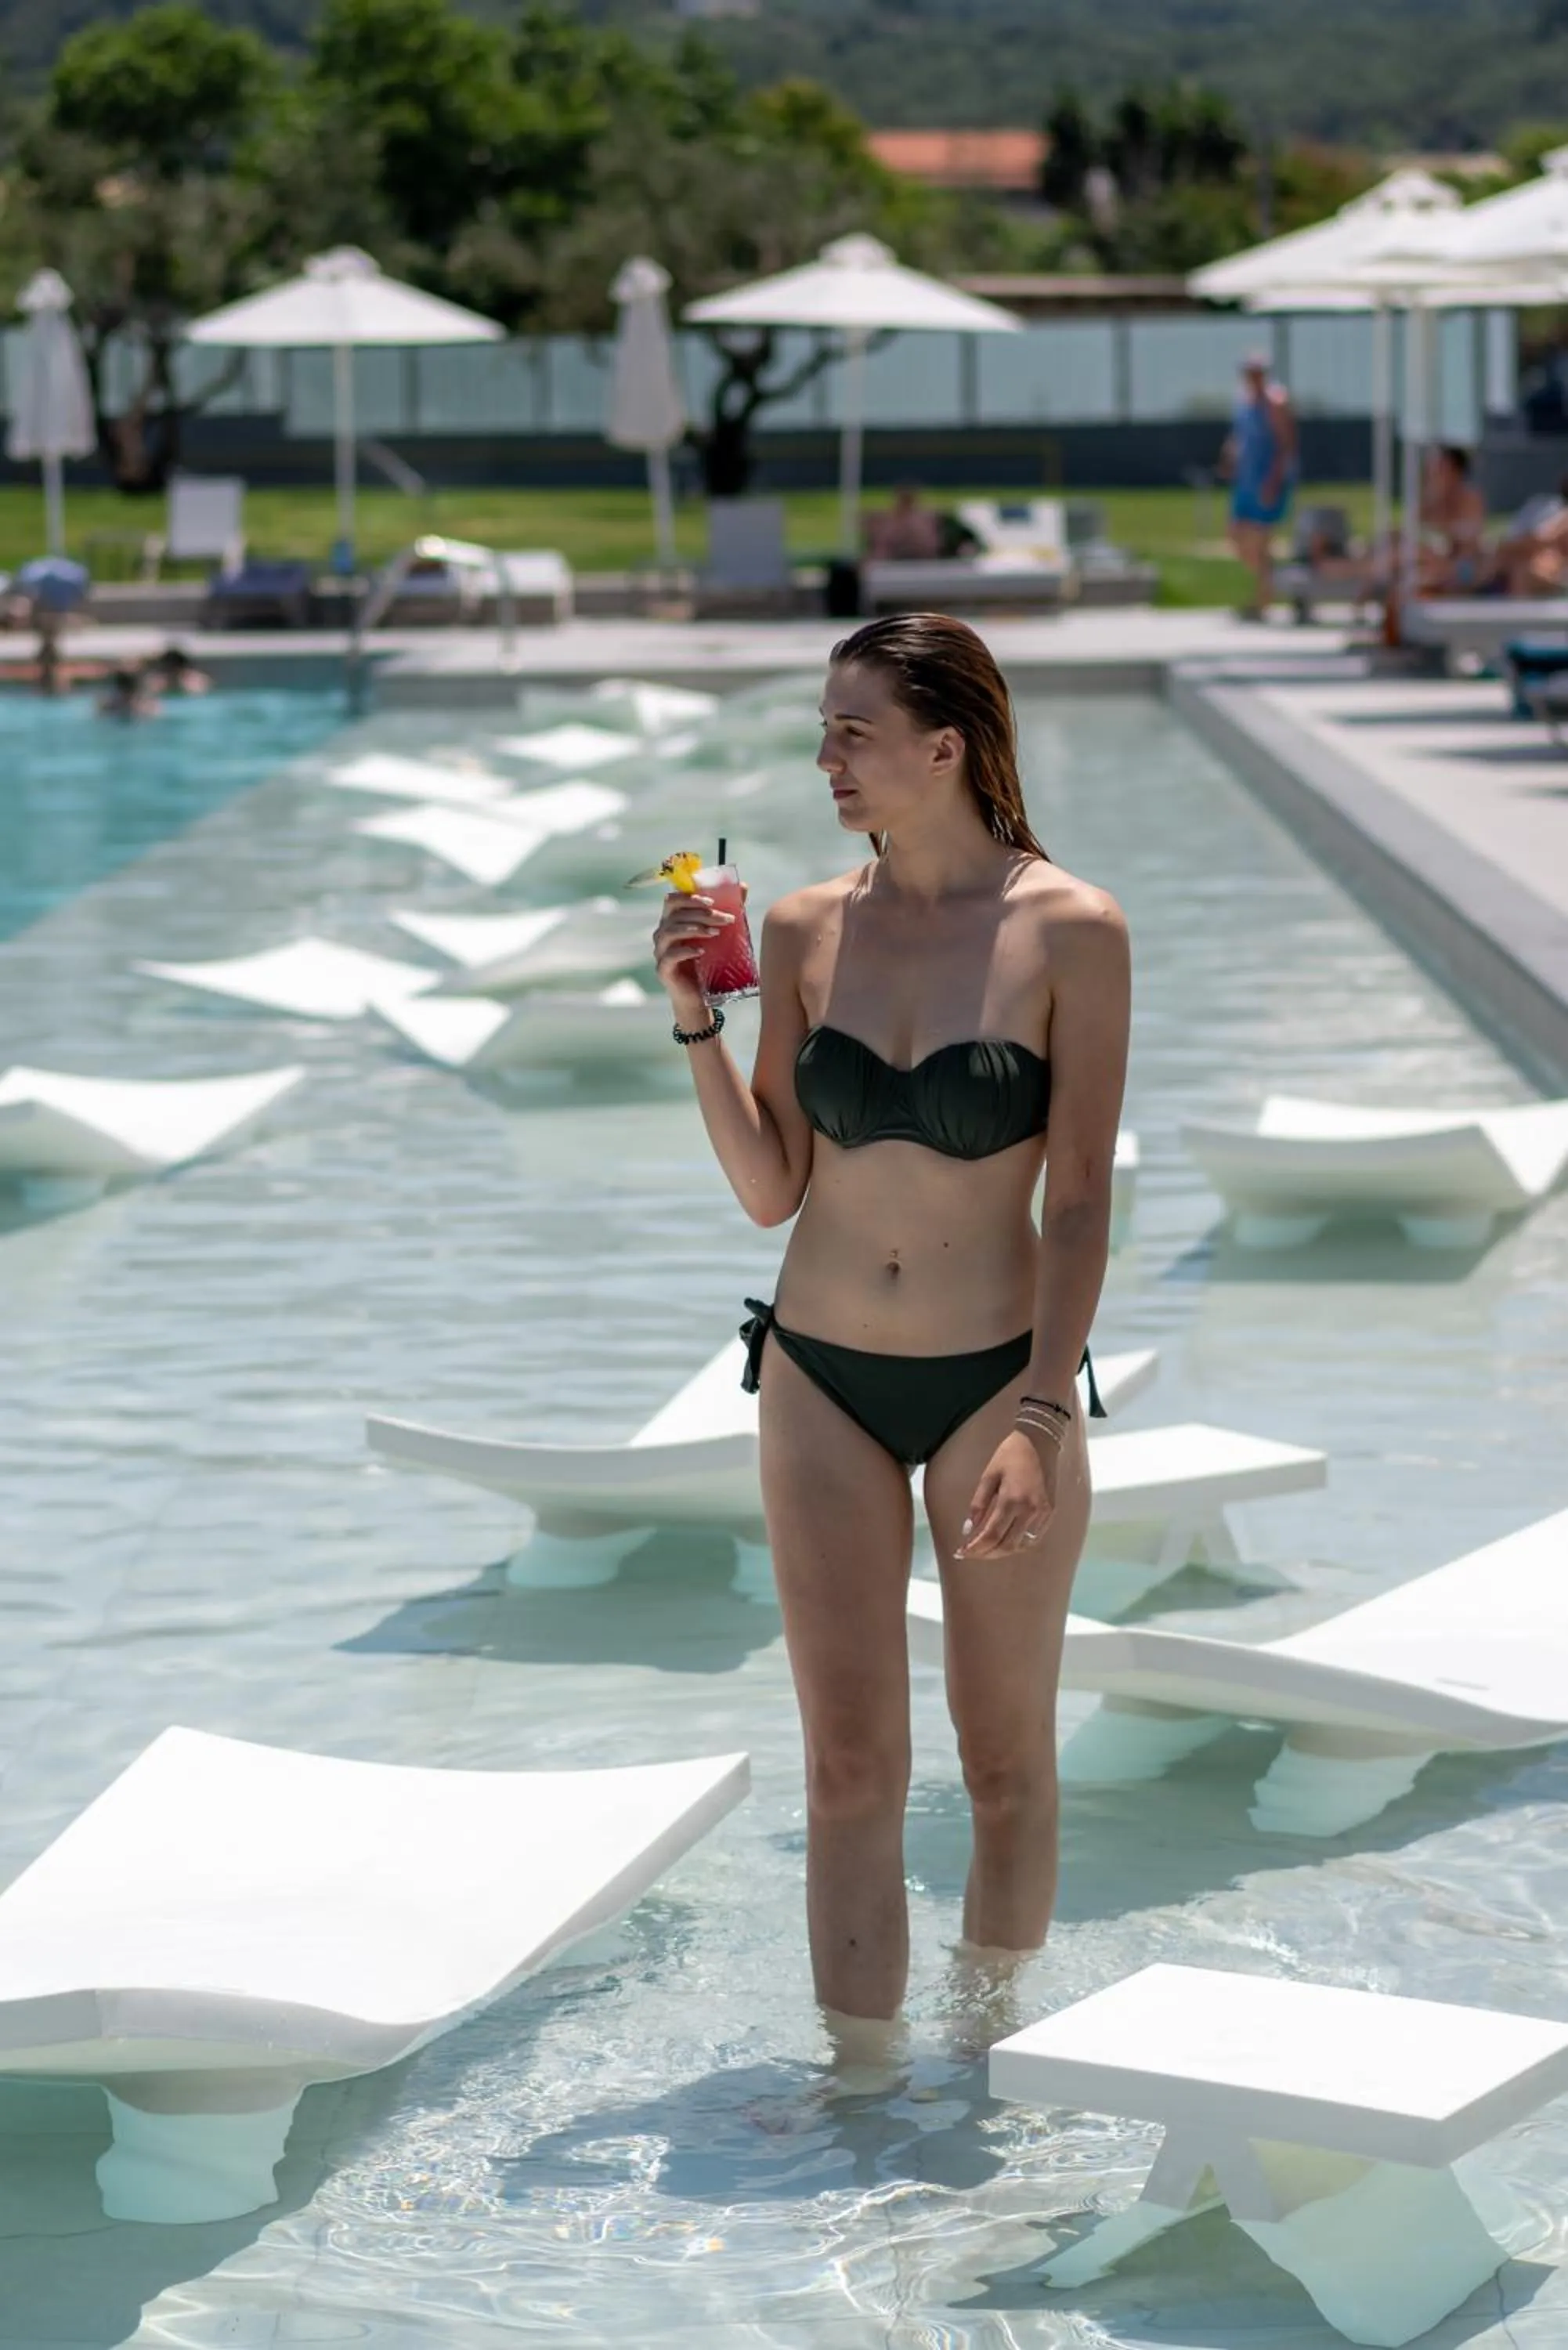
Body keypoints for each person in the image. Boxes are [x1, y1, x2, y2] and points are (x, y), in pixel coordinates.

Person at [650, 614, 1130, 2051]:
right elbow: (770, 1189)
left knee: (1001, 1767)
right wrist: (694, 1031)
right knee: (849, 1767)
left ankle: (990, 2068)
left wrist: (1044, 1419)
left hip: (1000, 1383)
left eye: (850, 732)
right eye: (822, 730)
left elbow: (1087, 1200)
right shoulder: (802, 929)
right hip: (820, 1377)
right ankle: (856, 2111)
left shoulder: (1073, 932)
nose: (824, 759)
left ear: (947, 743)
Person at [1218, 352, 1298, 620]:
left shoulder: (1275, 402)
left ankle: (1263, 600)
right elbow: (1239, 437)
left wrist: (1274, 481)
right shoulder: (1243, 401)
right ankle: (1271, 584)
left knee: (1262, 542)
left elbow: (1285, 445)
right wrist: (1229, 458)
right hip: (1246, 480)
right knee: (1236, 535)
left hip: (1266, 479)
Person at [865, 485, 943, 562]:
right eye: (903, 500)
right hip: (890, 560)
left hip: (921, 560)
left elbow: (932, 544)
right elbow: (881, 543)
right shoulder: (888, 519)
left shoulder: (924, 518)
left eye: (908, 500)